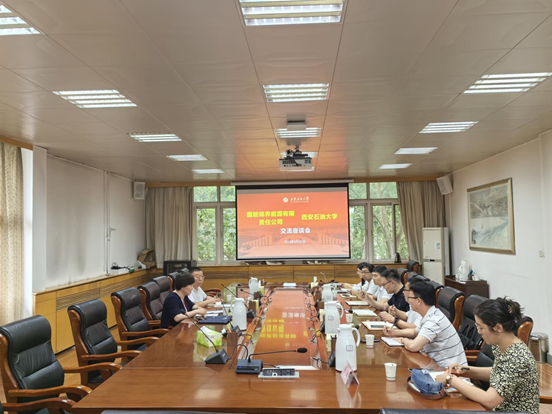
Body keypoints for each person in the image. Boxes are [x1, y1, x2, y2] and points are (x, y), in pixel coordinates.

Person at [440, 298, 539, 414]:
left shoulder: (517, 357)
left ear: (498, 328)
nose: (478, 331)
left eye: (481, 327)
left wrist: (450, 379)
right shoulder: (501, 345)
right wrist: (465, 370)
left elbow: (490, 400)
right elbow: (499, 372)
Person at [387, 281, 467, 367]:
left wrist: (403, 340)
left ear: (418, 301)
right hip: (435, 365)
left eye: (410, 298)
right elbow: (415, 332)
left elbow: (413, 346)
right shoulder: (430, 314)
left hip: (449, 371)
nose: (408, 301)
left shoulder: (434, 321)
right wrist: (395, 332)